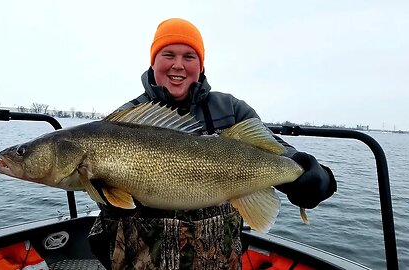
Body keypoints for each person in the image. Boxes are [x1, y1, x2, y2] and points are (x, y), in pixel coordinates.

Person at [88, 18, 337, 270]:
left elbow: (277, 151)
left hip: (218, 261)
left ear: (201, 64)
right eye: (168, 54)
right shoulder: (125, 119)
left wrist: (314, 176)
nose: (178, 65)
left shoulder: (231, 110)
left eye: (189, 56)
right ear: (153, 61)